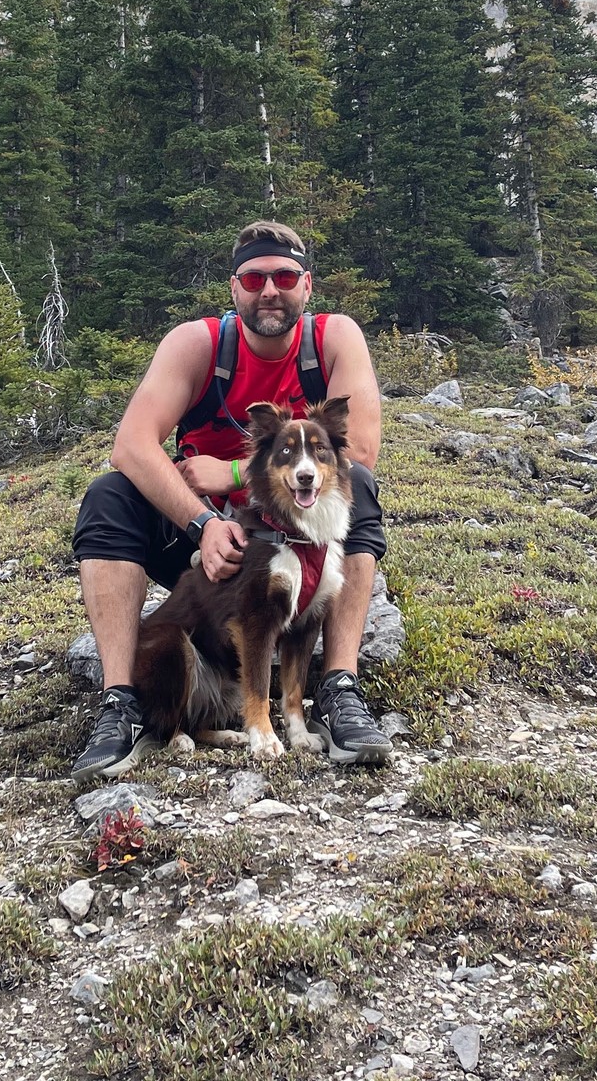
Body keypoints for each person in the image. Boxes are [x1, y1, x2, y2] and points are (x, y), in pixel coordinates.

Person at [69, 220, 394, 782]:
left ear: (307, 285)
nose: (270, 289)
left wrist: (233, 472)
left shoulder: (333, 339)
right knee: (108, 498)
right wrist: (201, 525)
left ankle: (340, 688)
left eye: (285, 276)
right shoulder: (198, 345)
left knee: (358, 486)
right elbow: (131, 445)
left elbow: (359, 449)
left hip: (289, 531)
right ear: (234, 288)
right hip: (199, 543)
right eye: (255, 278)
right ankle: (122, 701)